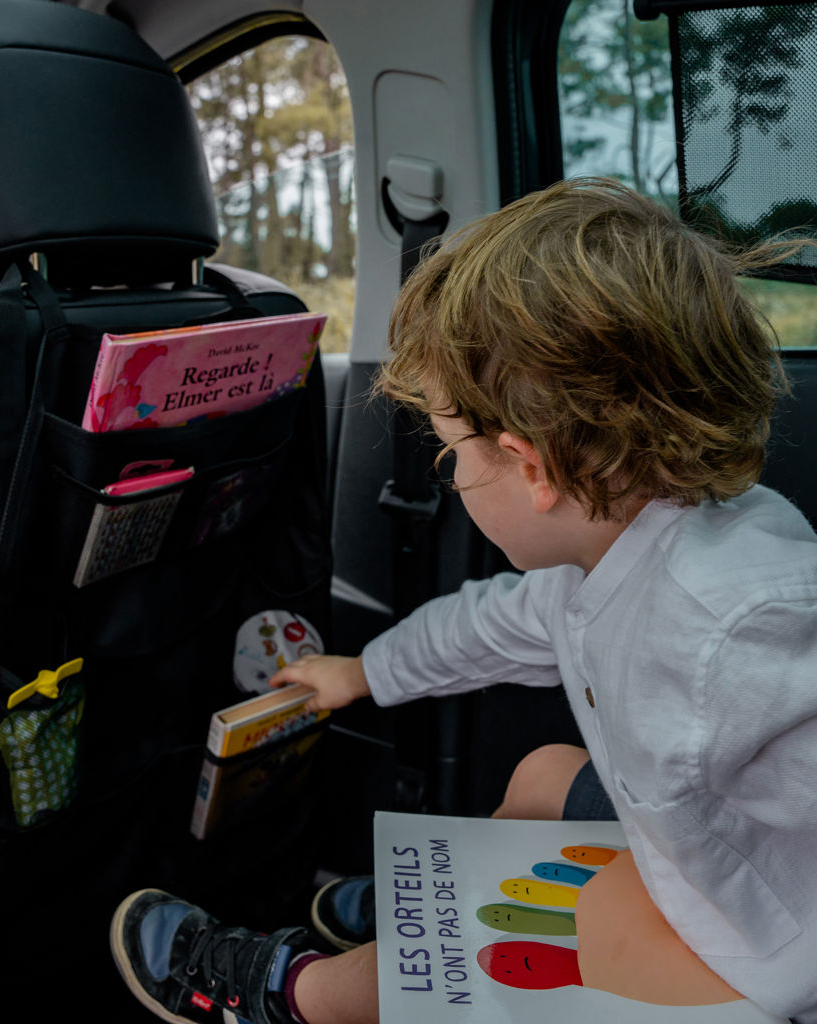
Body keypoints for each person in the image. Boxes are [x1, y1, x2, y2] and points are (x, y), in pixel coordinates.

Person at [109, 177, 817, 1024]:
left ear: (532, 469)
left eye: (451, 455)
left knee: (442, 960)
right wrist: (358, 673)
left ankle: (282, 995)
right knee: (544, 773)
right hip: (714, 857)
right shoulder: (606, 556)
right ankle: (438, 902)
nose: (449, 476)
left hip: (756, 944)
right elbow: (487, 627)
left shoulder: (737, 622)